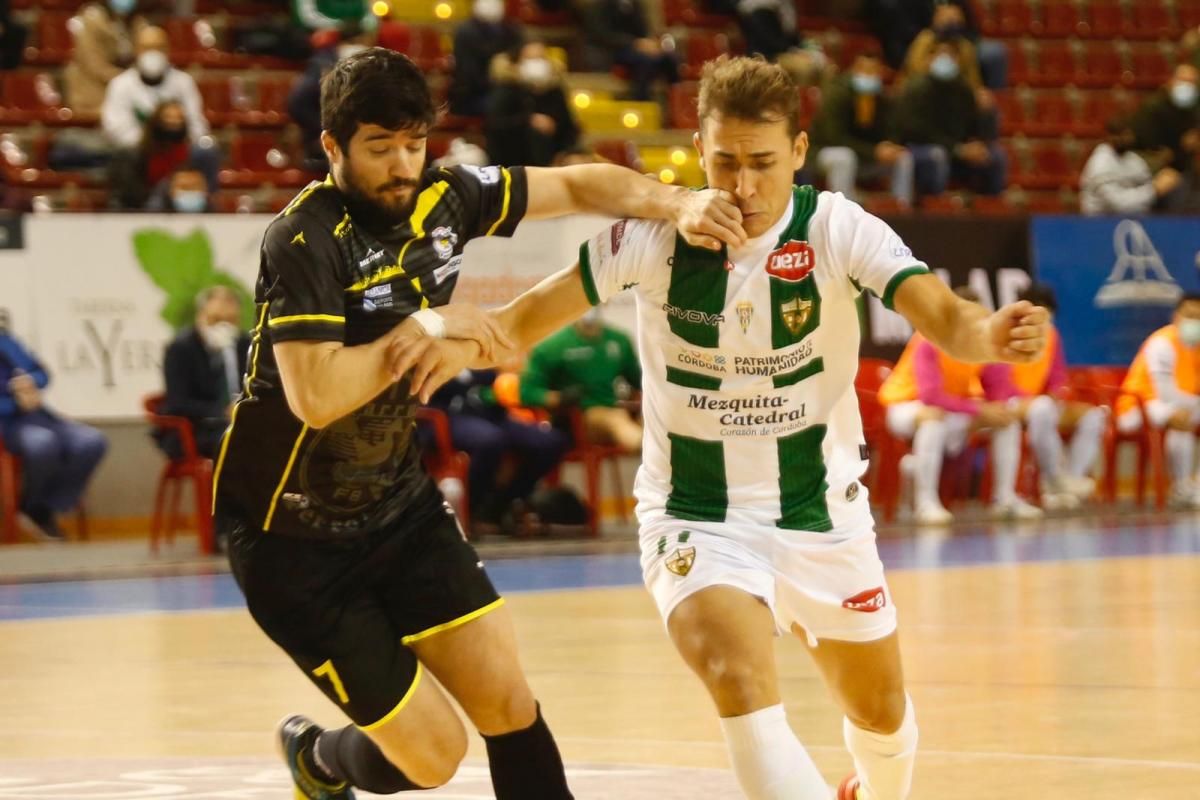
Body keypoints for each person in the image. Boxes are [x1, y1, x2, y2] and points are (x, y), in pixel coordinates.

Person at [392, 54, 1049, 800]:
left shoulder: (837, 228)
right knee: (738, 679)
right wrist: (434, 329)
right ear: (698, 151)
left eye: (763, 163)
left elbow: (943, 315)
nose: (742, 185)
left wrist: (990, 334)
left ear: (798, 154)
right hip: (696, 515)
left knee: (883, 716)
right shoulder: (648, 238)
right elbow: (515, 327)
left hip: (822, 513)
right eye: (726, 161)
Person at [212, 47, 744, 800]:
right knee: (432, 757)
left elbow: (579, 182)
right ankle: (322, 759)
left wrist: (675, 201)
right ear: (332, 147)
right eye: (379, 148)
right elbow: (318, 396)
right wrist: (429, 325)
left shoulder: (446, 197)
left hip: (397, 505)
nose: (403, 165)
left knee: (507, 700)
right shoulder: (303, 240)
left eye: (414, 144)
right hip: (290, 542)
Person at [879, 286, 1042, 525]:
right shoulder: (927, 340)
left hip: (953, 410)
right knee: (932, 419)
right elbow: (930, 396)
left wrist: (1001, 409)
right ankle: (926, 504)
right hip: (906, 407)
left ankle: (1005, 500)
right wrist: (978, 411)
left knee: (1006, 421)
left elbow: (998, 388)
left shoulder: (984, 343)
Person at [0, 314, 107, 540]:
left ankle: (45, 508)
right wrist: (15, 403)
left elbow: (41, 373)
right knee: (42, 444)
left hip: (41, 415)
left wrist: (30, 382)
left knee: (91, 441)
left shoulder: (7, 341)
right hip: (9, 422)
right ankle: (33, 505)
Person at [422, 369, 570, 531]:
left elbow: (492, 387)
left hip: (490, 415)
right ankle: (473, 508)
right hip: (449, 416)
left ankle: (505, 502)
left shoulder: (479, 351)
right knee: (490, 440)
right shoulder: (428, 352)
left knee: (550, 441)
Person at [1010, 284, 1105, 510]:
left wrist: (1058, 394)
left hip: (1041, 403)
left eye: (1047, 312)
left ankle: (1069, 481)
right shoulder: (1009, 332)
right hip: (1008, 401)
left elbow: (1057, 377)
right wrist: (1033, 399)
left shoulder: (1051, 335)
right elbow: (996, 381)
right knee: (1042, 408)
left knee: (1095, 415)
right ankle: (1053, 478)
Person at [1117, 293, 1200, 508]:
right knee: (1181, 417)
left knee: (1183, 415)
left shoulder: (1197, 347)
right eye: (1189, 315)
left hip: (1178, 405)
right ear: (1176, 316)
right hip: (1138, 406)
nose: (1194, 322)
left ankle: (1194, 486)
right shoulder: (1161, 342)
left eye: (1199, 317)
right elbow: (1165, 393)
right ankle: (1180, 487)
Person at [896, 38, 1007, 197]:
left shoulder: (964, 88)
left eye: (950, 55)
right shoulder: (915, 89)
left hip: (957, 150)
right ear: (929, 59)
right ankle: (934, 205)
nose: (945, 59)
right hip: (923, 147)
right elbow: (915, 131)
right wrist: (957, 149)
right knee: (936, 156)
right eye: (940, 54)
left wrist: (986, 116)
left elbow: (975, 128)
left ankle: (992, 207)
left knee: (995, 155)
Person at [520, 309, 642, 452]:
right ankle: (644, 445)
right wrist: (559, 398)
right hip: (577, 419)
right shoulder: (552, 347)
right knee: (614, 420)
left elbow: (640, 381)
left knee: (647, 417)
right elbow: (526, 392)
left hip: (615, 408)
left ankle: (660, 452)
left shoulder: (619, 341)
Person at [158, 286, 249, 462]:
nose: (223, 326)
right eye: (215, 319)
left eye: (230, 320)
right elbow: (177, 403)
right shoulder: (181, 348)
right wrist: (223, 411)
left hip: (242, 424)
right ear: (200, 316)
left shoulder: (247, 345)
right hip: (197, 429)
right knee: (240, 442)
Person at [810, 52, 914, 206]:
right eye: (863, 69)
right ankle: (844, 212)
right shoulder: (837, 94)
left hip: (865, 156)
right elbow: (835, 137)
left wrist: (890, 146)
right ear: (854, 69)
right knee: (845, 157)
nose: (868, 75)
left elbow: (893, 130)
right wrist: (873, 151)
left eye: (873, 70)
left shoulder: (882, 99)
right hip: (824, 152)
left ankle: (900, 208)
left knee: (903, 157)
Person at [101, 25, 208, 150]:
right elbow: (115, 129)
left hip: (177, 154)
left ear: (168, 50)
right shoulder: (119, 85)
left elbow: (197, 125)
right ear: (136, 50)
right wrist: (152, 146)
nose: (153, 53)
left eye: (159, 48)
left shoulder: (184, 82)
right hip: (136, 154)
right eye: (147, 48)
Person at [108, 101, 219, 210]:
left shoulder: (198, 155)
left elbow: (206, 189)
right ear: (156, 120)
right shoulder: (134, 155)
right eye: (168, 117)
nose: (174, 122)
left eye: (179, 118)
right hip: (147, 206)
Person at [485, 41, 580, 168]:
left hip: (553, 162)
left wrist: (564, 154)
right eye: (530, 59)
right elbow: (495, 126)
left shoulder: (555, 92)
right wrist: (528, 121)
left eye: (540, 58)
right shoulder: (506, 90)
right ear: (518, 62)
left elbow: (569, 128)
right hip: (512, 161)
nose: (536, 63)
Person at [577, 0, 680, 101]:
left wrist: (650, 44)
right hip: (614, 50)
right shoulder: (600, 6)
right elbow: (601, 35)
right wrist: (634, 43)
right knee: (645, 61)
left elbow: (643, 30)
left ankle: (675, 101)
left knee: (670, 58)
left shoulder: (636, 5)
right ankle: (641, 100)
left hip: (639, 47)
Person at [1081, 117, 1183, 215]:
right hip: (1099, 225)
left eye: (1128, 135)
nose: (1126, 139)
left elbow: (1148, 181)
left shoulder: (1133, 159)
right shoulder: (1100, 163)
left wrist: (1163, 181)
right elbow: (1118, 205)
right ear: (1109, 137)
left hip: (1132, 221)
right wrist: (1155, 190)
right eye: (1121, 135)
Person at [449, 0, 524, 117]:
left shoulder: (511, 29)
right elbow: (468, 74)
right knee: (505, 104)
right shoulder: (465, 32)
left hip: (506, 90)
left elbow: (522, 46)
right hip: (473, 95)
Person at [64, 0, 140, 114]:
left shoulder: (135, 21)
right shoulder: (90, 20)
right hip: (93, 95)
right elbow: (94, 65)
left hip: (124, 93)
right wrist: (129, 79)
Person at [1130, 63, 1200, 173]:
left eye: (1192, 82)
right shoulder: (1153, 107)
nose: (1187, 86)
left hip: (1183, 167)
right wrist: (1182, 146)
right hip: (1153, 169)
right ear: (1171, 81)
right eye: (1183, 80)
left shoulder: (1193, 107)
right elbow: (1150, 148)